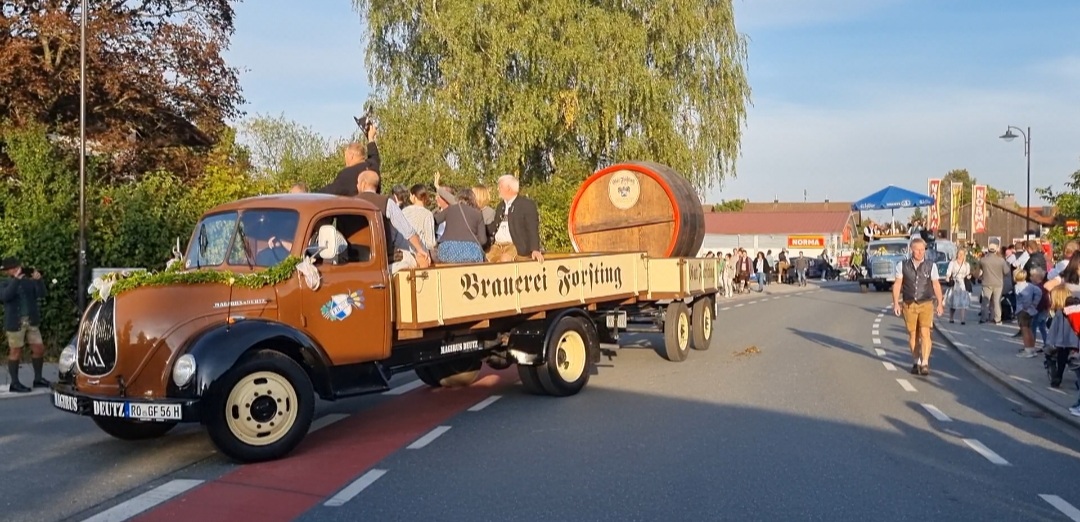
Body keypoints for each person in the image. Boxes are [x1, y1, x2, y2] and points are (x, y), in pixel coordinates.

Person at [354, 170, 431, 273]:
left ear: (363, 184)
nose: (357, 185)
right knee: (416, 260)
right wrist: (420, 250)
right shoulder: (386, 202)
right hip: (384, 259)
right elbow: (407, 230)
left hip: (354, 260)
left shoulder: (348, 203)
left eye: (358, 183)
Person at [891, 237, 944, 376]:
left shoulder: (931, 266)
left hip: (926, 303)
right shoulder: (902, 265)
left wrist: (940, 303)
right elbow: (897, 284)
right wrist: (896, 303)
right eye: (917, 250)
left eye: (922, 250)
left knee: (925, 333)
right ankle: (916, 361)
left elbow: (936, 285)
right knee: (913, 335)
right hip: (909, 304)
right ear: (911, 250)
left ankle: (925, 362)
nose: (920, 252)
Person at [0, 258, 47, 393]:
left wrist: (38, 280)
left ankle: (38, 379)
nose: (16, 270)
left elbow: (41, 294)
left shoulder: (28, 282)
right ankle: (15, 383)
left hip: (31, 321)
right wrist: (16, 279)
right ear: (7, 271)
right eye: (12, 269)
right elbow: (5, 297)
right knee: (15, 351)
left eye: (17, 267)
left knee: (39, 349)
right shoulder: (4, 283)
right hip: (15, 322)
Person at [487, 175, 543, 263]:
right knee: (485, 259)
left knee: (505, 260)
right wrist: (479, 227)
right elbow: (494, 225)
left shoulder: (526, 205)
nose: (498, 189)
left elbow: (532, 228)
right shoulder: (500, 206)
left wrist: (535, 249)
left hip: (514, 246)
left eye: (500, 186)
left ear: (508, 188)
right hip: (497, 245)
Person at [317, 125, 380, 196]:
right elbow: (374, 154)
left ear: (351, 156)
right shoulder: (373, 165)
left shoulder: (347, 174)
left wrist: (309, 195)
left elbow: (329, 191)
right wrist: (371, 138)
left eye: (346, 156)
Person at [435, 187, 489, 263]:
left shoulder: (450, 209)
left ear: (458, 198)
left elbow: (434, 221)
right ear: (473, 200)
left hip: (447, 250)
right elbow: (483, 240)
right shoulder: (477, 214)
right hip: (470, 252)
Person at [1044, 286, 1078, 388]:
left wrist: (1049, 344)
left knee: (1060, 356)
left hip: (1063, 342)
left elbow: (1053, 330)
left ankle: (1058, 376)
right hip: (1076, 342)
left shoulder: (1060, 313)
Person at [978, 243, 1010, 325]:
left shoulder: (983, 260)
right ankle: (997, 319)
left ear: (988, 250)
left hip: (986, 282)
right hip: (998, 283)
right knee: (996, 301)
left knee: (985, 301)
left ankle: (983, 318)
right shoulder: (1001, 260)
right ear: (996, 250)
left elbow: (980, 269)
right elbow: (1006, 271)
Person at [1014, 269, 1042, 359]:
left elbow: (1025, 297)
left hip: (1022, 310)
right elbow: (1039, 292)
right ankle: (1032, 349)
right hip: (1031, 310)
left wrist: (1026, 305)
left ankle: (1027, 350)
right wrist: (1034, 303)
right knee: (1029, 329)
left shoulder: (1018, 286)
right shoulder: (1030, 285)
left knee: (1024, 330)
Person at [401, 184, 436, 254]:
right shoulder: (427, 214)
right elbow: (431, 243)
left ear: (413, 196)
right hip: (421, 253)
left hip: (406, 252)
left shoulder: (404, 211)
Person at [945, 248, 972, 325]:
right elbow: (949, 272)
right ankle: (951, 318)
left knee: (963, 302)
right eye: (959, 254)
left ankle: (962, 319)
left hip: (963, 284)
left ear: (964, 255)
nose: (960, 255)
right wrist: (947, 277)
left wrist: (969, 276)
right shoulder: (952, 263)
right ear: (957, 254)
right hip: (955, 283)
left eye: (962, 254)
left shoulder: (966, 264)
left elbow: (968, 273)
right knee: (954, 301)